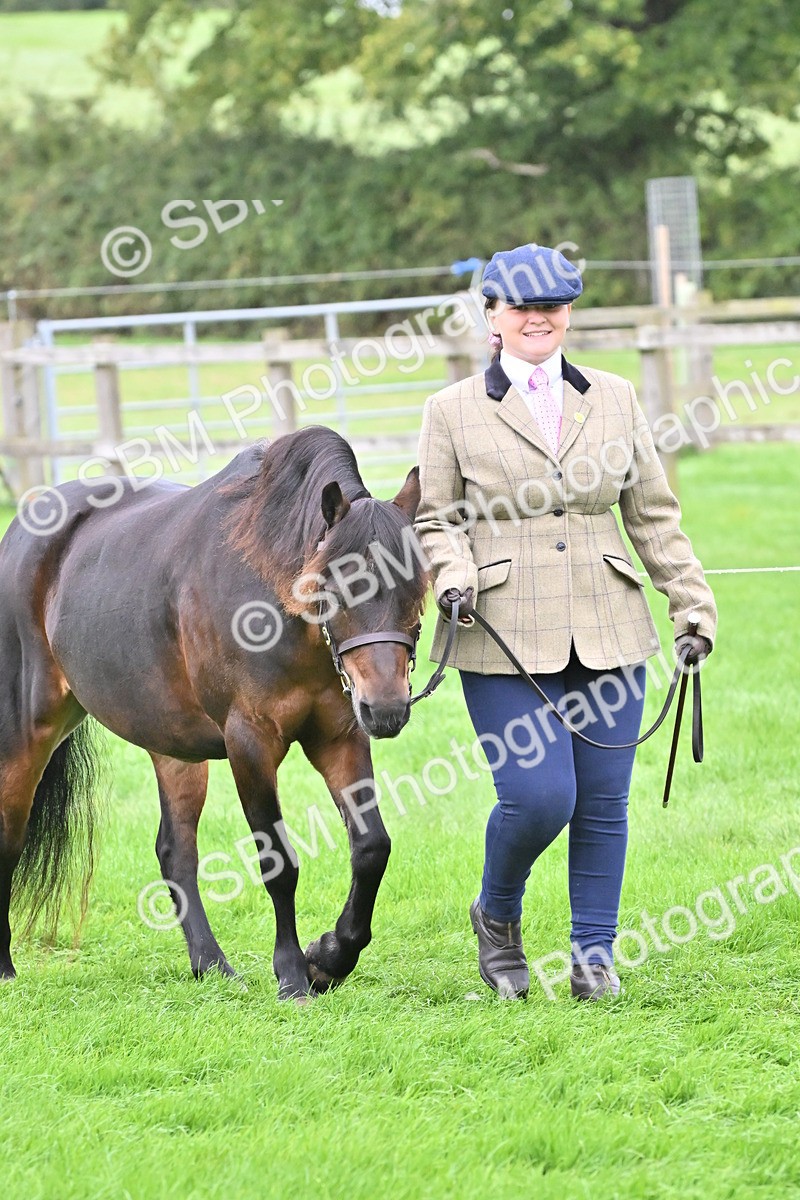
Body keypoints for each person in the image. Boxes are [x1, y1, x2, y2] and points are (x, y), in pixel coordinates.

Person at [414, 243, 717, 1001]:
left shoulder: (614, 397)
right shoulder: (450, 410)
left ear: (569, 314)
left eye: (551, 306)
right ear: (493, 317)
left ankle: (594, 957)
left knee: (605, 800)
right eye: (521, 306)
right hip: (503, 629)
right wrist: (453, 575)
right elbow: (435, 519)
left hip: (610, 623)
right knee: (539, 795)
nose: (537, 318)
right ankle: (498, 914)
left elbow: (652, 512)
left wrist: (691, 602)